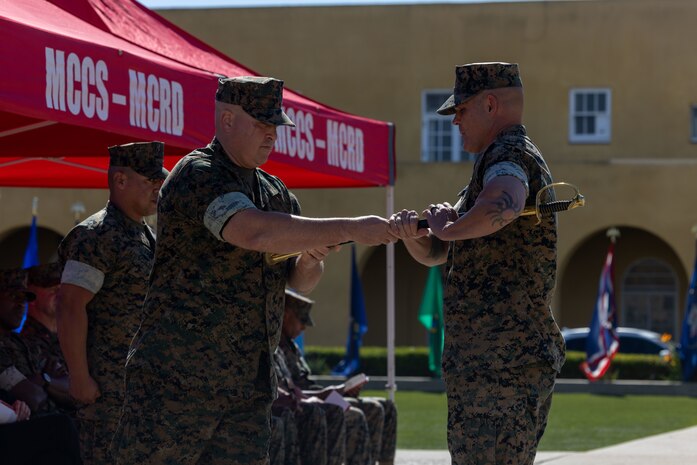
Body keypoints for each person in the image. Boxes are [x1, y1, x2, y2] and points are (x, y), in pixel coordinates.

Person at [112, 76, 396, 465]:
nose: (271, 135)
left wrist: (311, 257)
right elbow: (254, 231)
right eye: (261, 124)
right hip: (178, 381)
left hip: (247, 385)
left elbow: (297, 280)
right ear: (226, 120)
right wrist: (349, 227)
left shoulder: (275, 192)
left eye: (275, 126)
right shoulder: (199, 174)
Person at [388, 62, 565, 465]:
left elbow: (506, 200)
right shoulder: (489, 165)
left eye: (461, 111)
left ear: (489, 104)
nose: (455, 122)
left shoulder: (509, 154)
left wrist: (448, 229)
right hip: (494, 365)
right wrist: (415, 237)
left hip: (500, 368)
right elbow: (441, 252)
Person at [56, 141, 167, 465]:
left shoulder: (145, 235)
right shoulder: (96, 236)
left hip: (145, 393)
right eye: (149, 182)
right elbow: (69, 306)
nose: (158, 189)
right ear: (120, 180)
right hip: (109, 394)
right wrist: (79, 377)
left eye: (159, 182)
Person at [278, 288, 396, 465]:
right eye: (301, 320)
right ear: (286, 315)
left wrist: (340, 392)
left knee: (385, 407)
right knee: (358, 415)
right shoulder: (276, 346)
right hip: (307, 403)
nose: (303, 327)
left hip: (318, 397)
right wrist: (326, 394)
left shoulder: (290, 346)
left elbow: (302, 385)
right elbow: (290, 390)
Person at [22, 262, 65, 368]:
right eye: (53, 290)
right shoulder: (25, 345)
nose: (61, 294)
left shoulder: (70, 339)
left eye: (63, 289)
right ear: (31, 296)